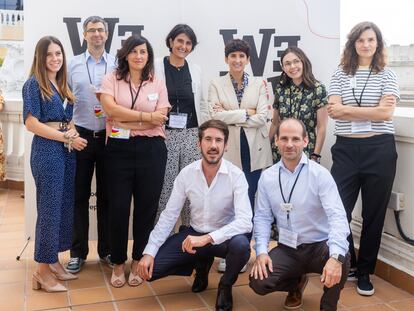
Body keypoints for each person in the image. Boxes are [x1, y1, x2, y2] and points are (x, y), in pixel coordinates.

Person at [137, 120, 252, 311]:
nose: (213, 145)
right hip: (195, 234)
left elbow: (245, 221)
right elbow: (169, 215)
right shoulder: (187, 174)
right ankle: (201, 264)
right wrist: (149, 252)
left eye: (218, 140)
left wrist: (208, 238)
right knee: (151, 270)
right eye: (208, 139)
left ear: (225, 145)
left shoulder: (236, 175)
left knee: (241, 246)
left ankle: (226, 285)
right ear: (199, 143)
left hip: (225, 239)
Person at [327, 21, 399, 296]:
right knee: (338, 211)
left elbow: (386, 115)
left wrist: (348, 110)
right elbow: (334, 111)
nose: (366, 44)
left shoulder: (387, 74)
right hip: (346, 150)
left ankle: (366, 271)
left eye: (371, 40)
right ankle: (352, 262)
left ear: (378, 44)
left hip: (379, 151)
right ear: (352, 44)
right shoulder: (340, 73)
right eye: (360, 40)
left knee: (373, 215)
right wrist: (368, 110)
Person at [249, 118, 350, 311]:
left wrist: (335, 257)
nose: (289, 144)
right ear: (276, 140)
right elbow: (262, 217)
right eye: (284, 138)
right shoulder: (268, 177)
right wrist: (261, 252)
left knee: (341, 260)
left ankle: (328, 305)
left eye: (295, 139)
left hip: (319, 246)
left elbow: (337, 216)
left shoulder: (320, 174)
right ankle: (295, 284)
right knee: (258, 281)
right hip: (288, 247)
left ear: (305, 141)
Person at [99, 34, 170, 288]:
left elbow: (160, 118)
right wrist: (144, 117)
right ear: (125, 55)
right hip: (118, 149)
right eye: (134, 51)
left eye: (143, 52)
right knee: (118, 207)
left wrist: (127, 120)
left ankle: (139, 259)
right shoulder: (112, 79)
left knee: (146, 209)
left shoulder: (157, 83)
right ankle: (118, 262)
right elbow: (110, 111)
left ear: (148, 56)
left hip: (152, 150)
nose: (139, 56)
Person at [23, 36, 87, 292]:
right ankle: (41, 271)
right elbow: (31, 123)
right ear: (41, 57)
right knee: (49, 210)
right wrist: (64, 136)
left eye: (58, 54)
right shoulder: (33, 84)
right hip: (48, 151)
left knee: (63, 207)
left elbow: (67, 121)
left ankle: (55, 263)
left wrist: (74, 135)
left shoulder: (62, 85)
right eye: (49, 54)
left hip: (66, 150)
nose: (55, 59)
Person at [208, 38, 272, 272]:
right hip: (230, 148)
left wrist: (231, 114)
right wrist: (247, 113)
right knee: (229, 201)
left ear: (247, 60)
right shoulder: (216, 83)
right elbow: (215, 117)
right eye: (232, 56)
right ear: (226, 59)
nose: (237, 60)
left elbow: (263, 117)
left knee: (250, 199)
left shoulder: (260, 83)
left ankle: (243, 250)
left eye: (241, 56)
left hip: (254, 150)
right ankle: (229, 251)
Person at [66, 15, 116, 274]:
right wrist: (69, 130)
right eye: (91, 30)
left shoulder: (118, 64)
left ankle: (106, 251)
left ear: (107, 34)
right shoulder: (72, 64)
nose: (96, 34)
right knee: (79, 197)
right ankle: (77, 253)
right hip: (81, 138)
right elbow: (64, 103)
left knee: (107, 198)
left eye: (100, 30)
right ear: (84, 35)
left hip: (109, 139)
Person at [155, 24, 209, 227]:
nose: (183, 46)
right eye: (180, 41)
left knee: (191, 188)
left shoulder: (195, 70)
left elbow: (202, 103)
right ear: (171, 42)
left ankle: (189, 235)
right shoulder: (156, 65)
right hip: (164, 133)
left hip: (191, 133)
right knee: (165, 188)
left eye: (188, 43)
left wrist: (201, 134)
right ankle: (160, 239)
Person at [269, 46, 328, 163]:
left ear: (303, 62)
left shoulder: (318, 89)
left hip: (307, 150)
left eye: (296, 61)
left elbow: (322, 127)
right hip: (281, 150)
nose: (292, 67)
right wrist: (265, 149)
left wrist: (316, 154)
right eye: (287, 63)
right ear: (283, 68)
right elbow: (275, 123)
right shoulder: (280, 89)